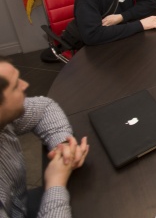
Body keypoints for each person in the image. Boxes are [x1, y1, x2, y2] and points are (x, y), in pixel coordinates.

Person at [0, 56, 89, 217]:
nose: (25, 85)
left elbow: (45, 108)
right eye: (15, 86)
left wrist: (63, 146)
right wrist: (55, 183)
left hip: (20, 204)